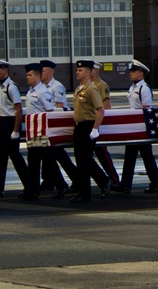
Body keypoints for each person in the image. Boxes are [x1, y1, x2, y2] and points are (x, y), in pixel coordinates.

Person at [114, 59, 158, 194]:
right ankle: (127, 184)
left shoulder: (144, 88)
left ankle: (155, 183)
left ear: (141, 73)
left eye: (134, 71)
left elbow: (146, 109)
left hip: (142, 128)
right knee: (131, 156)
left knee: (146, 156)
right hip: (134, 128)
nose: (131, 74)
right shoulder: (133, 88)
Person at [0, 60, 30, 197]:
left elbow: (18, 110)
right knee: (1, 156)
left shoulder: (11, 87)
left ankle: (29, 186)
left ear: (5, 70)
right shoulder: (3, 86)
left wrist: (16, 130)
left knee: (15, 157)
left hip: (10, 123)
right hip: (4, 122)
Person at [70, 60, 111, 203]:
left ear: (88, 72)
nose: (77, 72)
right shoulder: (79, 88)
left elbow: (100, 110)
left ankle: (85, 193)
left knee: (84, 161)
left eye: (80, 70)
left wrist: (94, 129)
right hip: (79, 127)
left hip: (88, 127)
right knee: (81, 161)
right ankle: (93, 186)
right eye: (77, 70)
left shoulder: (91, 89)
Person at [18, 63, 55, 201]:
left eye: (30, 75)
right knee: (38, 162)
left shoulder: (43, 92)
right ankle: (33, 190)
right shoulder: (31, 91)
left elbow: (50, 112)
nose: (27, 77)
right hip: (32, 133)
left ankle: (32, 191)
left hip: (41, 134)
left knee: (36, 163)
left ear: (38, 76)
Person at [41, 59, 76, 198]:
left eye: (43, 71)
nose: (41, 73)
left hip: (56, 124)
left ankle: (74, 178)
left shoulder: (57, 87)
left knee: (57, 153)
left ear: (50, 72)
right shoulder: (43, 86)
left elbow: (59, 106)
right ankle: (49, 181)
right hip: (48, 124)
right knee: (49, 153)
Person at [90, 62, 121, 188]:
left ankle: (114, 179)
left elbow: (106, 106)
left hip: (98, 124)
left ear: (95, 71)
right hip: (91, 123)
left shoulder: (101, 86)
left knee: (102, 153)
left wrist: (99, 125)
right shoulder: (89, 85)